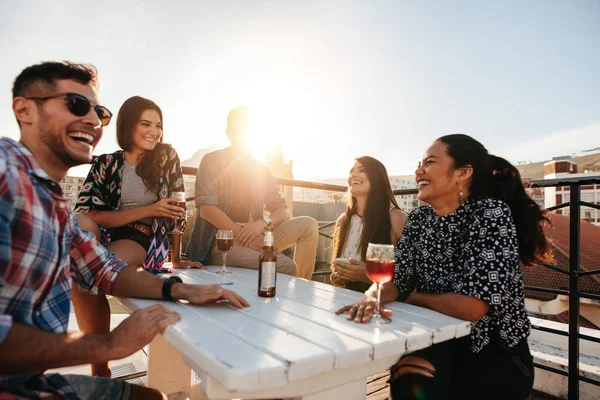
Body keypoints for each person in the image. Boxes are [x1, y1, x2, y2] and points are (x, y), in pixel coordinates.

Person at [0, 61, 249, 400]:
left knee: (153, 397)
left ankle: (99, 363)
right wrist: (107, 344)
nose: (91, 120)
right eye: (75, 105)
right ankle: (98, 362)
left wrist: (181, 289)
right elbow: (91, 218)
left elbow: (102, 267)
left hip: (29, 377)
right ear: (24, 110)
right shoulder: (6, 173)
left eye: (98, 112)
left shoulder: (53, 202)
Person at [337, 134, 549, 400]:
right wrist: (372, 296)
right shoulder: (418, 219)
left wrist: (412, 298)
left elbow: (471, 307)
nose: (418, 171)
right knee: (409, 380)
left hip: (492, 351)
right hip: (437, 339)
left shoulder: (489, 213)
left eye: (430, 163)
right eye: (419, 164)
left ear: (462, 173)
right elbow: (398, 279)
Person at [71, 95, 203, 377]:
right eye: (146, 124)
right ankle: (99, 362)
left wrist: (176, 258)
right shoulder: (106, 162)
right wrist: (149, 207)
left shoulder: (166, 157)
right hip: (100, 232)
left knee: (87, 271)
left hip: (139, 237)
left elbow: (177, 209)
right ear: (128, 126)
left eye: (158, 125)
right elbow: (87, 213)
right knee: (80, 227)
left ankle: (99, 366)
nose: (154, 131)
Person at [187, 106, 319, 279]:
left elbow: (281, 211)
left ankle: (302, 294)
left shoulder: (261, 170)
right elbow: (207, 210)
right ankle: (295, 295)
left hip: (257, 233)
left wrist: (261, 224)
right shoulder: (212, 161)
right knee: (286, 266)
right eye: (239, 130)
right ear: (229, 132)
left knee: (308, 226)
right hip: (221, 241)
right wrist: (245, 237)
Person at [330, 156, 407, 292]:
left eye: (362, 170)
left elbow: (411, 277)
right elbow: (334, 270)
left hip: (383, 304)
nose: (353, 174)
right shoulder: (343, 221)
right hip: (345, 299)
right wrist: (337, 277)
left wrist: (367, 276)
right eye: (351, 171)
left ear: (377, 178)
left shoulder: (397, 219)